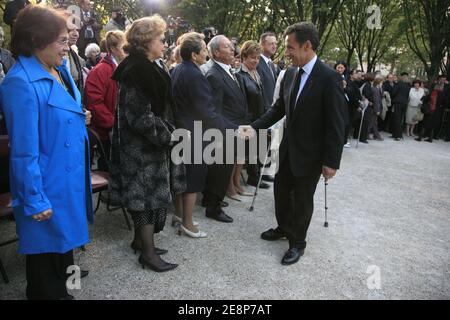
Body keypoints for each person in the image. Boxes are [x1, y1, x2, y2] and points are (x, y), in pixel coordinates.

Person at [0, 5, 93, 299]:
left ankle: (66, 293)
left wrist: (79, 115)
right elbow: (24, 151)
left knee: (65, 253)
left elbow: (61, 111)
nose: (68, 47)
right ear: (37, 39)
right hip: (47, 185)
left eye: (68, 40)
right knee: (44, 264)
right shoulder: (20, 82)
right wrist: (34, 199)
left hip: (67, 179)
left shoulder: (59, 68)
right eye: (62, 41)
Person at [239, 22, 346, 266]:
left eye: (290, 47)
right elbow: (278, 109)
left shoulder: (329, 79)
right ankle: (284, 227)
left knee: (302, 199)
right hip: (287, 148)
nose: (285, 52)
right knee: (281, 192)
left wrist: (331, 161)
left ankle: (298, 242)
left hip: (311, 154)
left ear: (307, 46)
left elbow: (337, 125)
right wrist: (253, 127)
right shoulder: (289, 73)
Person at [109, 16, 185, 272]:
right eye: (161, 40)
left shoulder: (147, 65)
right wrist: (169, 134)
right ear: (146, 41)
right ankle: (148, 254)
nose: (165, 44)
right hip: (140, 150)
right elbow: (140, 118)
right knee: (145, 200)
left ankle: (140, 242)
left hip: (149, 147)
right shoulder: (136, 70)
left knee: (149, 198)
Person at [171, 32, 237, 238]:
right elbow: (207, 111)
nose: (206, 55)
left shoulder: (178, 69)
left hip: (180, 129)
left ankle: (180, 215)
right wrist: (232, 128)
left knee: (181, 177)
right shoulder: (195, 74)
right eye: (203, 52)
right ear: (193, 55)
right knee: (193, 179)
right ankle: (188, 224)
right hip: (194, 133)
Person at [201, 35, 250, 223]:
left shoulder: (227, 71)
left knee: (223, 170)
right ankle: (213, 207)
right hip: (223, 133)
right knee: (219, 171)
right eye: (227, 47)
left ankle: (213, 200)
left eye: (232, 46)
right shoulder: (214, 75)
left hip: (233, 129)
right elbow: (214, 111)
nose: (232, 50)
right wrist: (233, 129)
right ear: (215, 53)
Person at [84, 30, 126, 171]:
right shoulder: (101, 70)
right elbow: (94, 103)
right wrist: (114, 123)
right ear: (113, 49)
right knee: (109, 172)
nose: (127, 50)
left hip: (118, 131)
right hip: (107, 134)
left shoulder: (121, 67)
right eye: (123, 47)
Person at [238, 40, 268, 192]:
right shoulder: (239, 75)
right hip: (248, 120)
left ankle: (256, 175)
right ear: (244, 57)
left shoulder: (256, 72)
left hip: (259, 117)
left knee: (257, 148)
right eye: (252, 57)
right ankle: (252, 177)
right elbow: (242, 101)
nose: (255, 61)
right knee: (249, 150)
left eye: (257, 57)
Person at [391, 72, 411, 141]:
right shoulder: (409, 86)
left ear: (401, 77)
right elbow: (408, 96)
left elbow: (393, 92)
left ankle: (398, 136)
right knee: (400, 119)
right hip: (404, 103)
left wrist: (393, 98)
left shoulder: (398, 84)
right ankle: (395, 134)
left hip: (398, 102)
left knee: (397, 119)